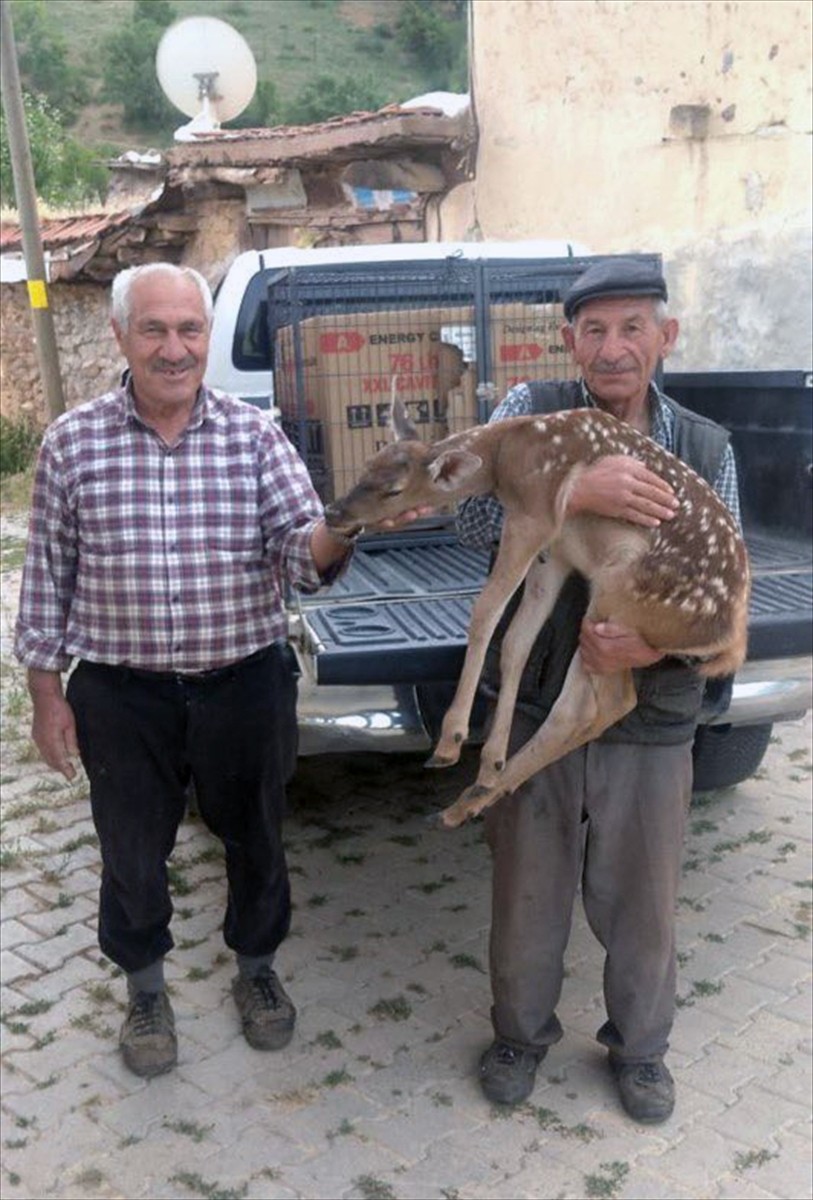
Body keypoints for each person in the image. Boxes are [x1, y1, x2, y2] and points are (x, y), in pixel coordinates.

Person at [13, 262, 378, 1079]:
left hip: (242, 681)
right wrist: (45, 695)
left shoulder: (255, 436)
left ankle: (256, 972)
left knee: (254, 836)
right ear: (120, 335)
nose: (174, 349)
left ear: (206, 340)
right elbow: (47, 578)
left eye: (189, 331)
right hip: (121, 693)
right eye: (155, 329)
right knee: (130, 850)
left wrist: (352, 519)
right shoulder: (72, 442)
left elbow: (302, 556)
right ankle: (145, 988)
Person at [456, 257, 741, 1123]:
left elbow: (722, 596)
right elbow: (470, 520)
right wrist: (574, 486)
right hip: (540, 704)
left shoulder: (703, 447)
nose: (612, 348)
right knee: (527, 888)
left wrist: (648, 647)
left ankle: (641, 1051)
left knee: (642, 899)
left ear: (665, 337)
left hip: (648, 715)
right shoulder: (525, 412)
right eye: (594, 330)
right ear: (567, 339)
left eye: (631, 328)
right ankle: (517, 1032)